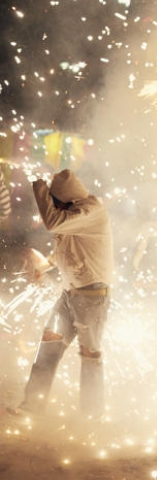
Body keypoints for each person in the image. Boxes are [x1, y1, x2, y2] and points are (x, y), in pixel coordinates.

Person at [9, 169, 113, 418]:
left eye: (54, 202)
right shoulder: (77, 212)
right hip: (69, 294)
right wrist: (45, 266)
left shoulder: (90, 211)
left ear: (66, 199)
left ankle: (91, 417)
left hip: (92, 298)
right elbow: (69, 246)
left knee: (90, 356)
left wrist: (38, 185)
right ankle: (31, 407)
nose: (53, 207)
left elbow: (52, 222)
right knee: (48, 348)